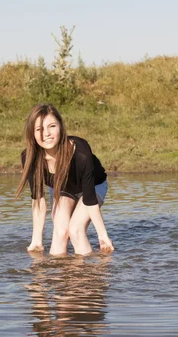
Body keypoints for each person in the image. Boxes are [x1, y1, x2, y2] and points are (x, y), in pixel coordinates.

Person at [15, 103, 114, 256]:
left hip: (93, 188)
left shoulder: (81, 153)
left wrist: (103, 236)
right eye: (39, 129)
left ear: (61, 126)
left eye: (52, 126)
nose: (46, 133)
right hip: (63, 190)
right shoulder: (29, 158)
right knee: (61, 231)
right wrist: (36, 240)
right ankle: (59, 277)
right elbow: (38, 200)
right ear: (32, 134)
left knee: (76, 229)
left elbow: (89, 200)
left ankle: (91, 277)